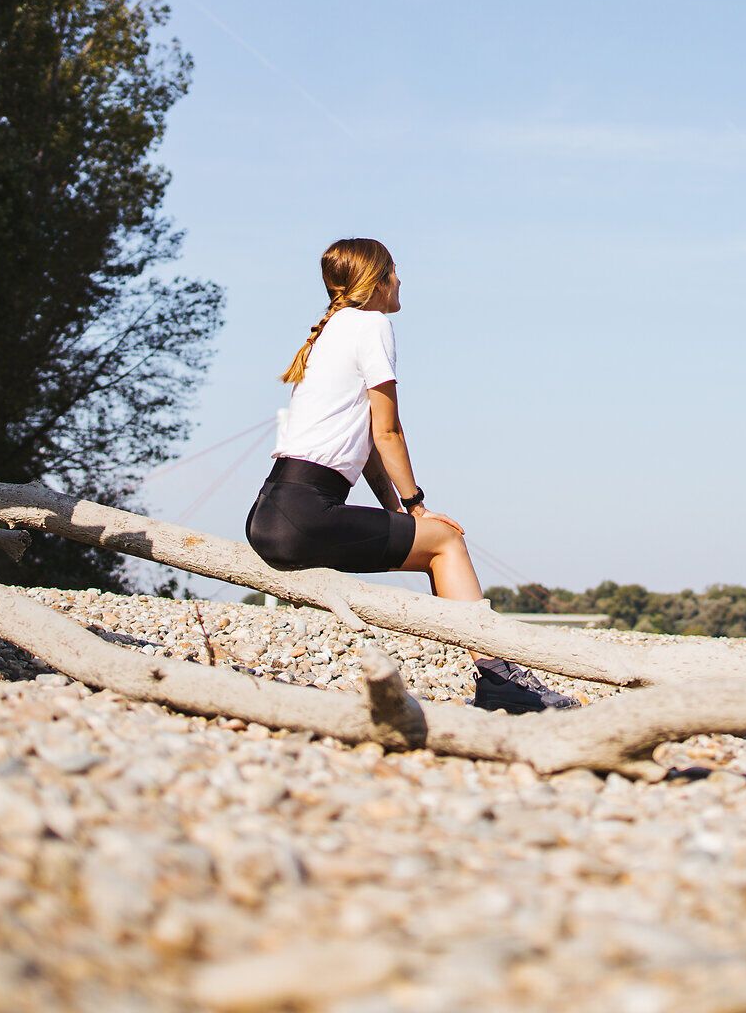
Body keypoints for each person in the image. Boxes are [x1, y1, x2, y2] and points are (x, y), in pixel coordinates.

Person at [245, 237, 576, 714]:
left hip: (271, 510)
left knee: (431, 539)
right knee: (446, 540)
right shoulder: (372, 325)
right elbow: (388, 431)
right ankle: (499, 678)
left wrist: (396, 511)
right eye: (395, 271)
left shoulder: (333, 330)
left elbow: (369, 448)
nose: (401, 281)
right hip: (305, 513)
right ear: (377, 282)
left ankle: (494, 673)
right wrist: (418, 504)